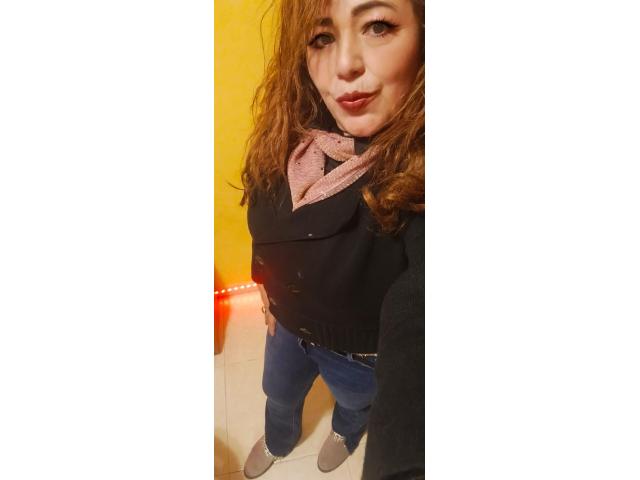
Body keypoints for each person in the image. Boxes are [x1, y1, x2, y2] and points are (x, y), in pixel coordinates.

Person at [240, 0, 424, 478]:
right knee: (278, 394)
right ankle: (279, 439)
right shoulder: (293, 129)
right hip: (286, 326)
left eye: (378, 26)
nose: (344, 64)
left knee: (354, 405)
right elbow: (264, 213)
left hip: (358, 354)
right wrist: (263, 279)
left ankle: (345, 431)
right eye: (322, 37)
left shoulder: (422, 177)